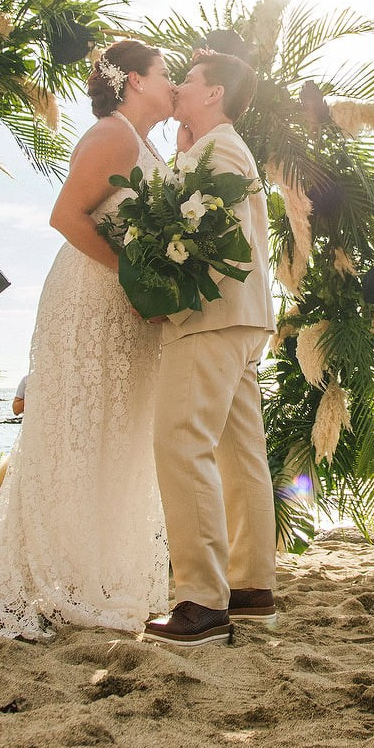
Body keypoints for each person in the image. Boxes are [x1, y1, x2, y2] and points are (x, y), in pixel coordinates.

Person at [0, 39, 174, 640]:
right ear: (134, 79)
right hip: (91, 299)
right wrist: (137, 278)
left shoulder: (149, 143)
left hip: (129, 305)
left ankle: (101, 573)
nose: (173, 81)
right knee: (76, 432)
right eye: (166, 72)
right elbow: (65, 216)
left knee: (118, 433)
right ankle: (56, 579)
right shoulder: (112, 135)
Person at [142, 51, 276, 646]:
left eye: (188, 80)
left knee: (181, 442)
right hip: (243, 321)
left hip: (211, 317)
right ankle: (251, 587)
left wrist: (177, 299)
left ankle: (201, 598)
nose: (178, 86)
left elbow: (226, 241)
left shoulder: (219, 148)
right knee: (238, 451)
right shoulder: (215, 146)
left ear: (215, 92)